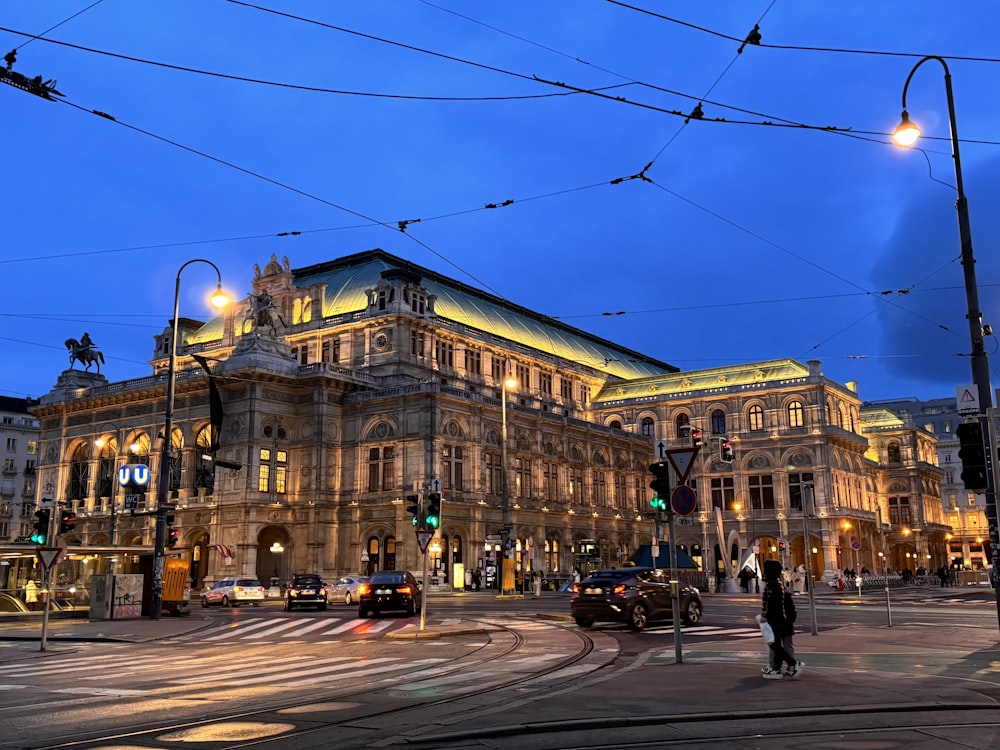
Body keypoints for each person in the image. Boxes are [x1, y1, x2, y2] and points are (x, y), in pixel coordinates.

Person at [760, 560, 804, 680]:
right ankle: (777, 668)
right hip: (780, 620)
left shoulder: (773, 585)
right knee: (778, 645)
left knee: (775, 645)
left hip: (776, 621)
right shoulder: (778, 584)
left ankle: (791, 664)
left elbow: (773, 605)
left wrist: (765, 616)